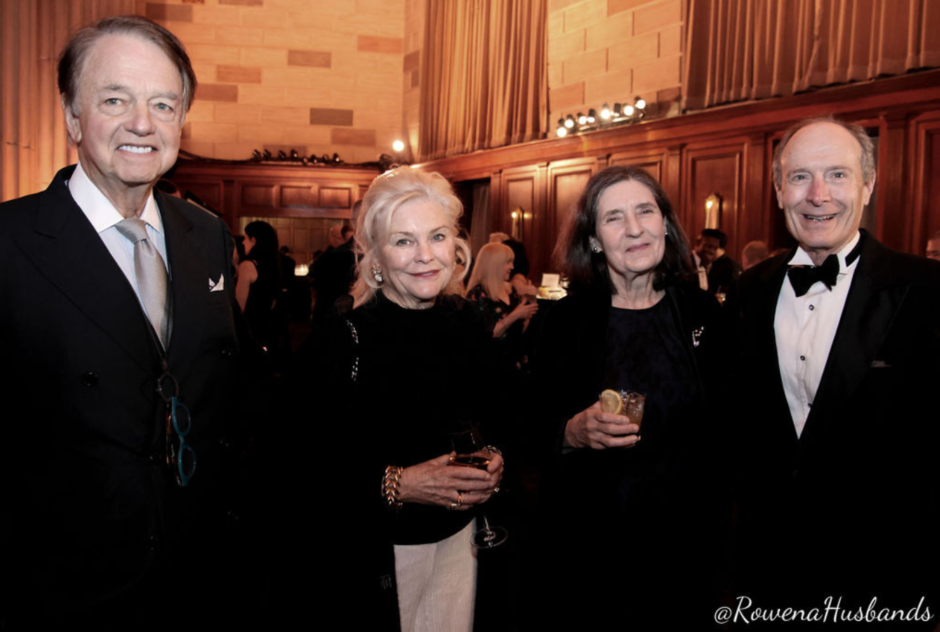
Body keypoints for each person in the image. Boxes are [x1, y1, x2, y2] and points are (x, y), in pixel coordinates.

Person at [0, 16, 244, 628]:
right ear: (72, 116)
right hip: (63, 588)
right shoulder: (11, 242)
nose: (143, 123)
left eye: (164, 103)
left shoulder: (206, 235)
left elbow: (227, 396)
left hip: (197, 577)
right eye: (116, 99)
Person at [728, 117, 940, 620]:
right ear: (779, 190)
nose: (818, 194)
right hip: (768, 568)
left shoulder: (928, 291)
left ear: (869, 184)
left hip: (883, 573)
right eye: (800, 176)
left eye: (838, 175)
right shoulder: (748, 291)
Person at [303, 167, 504, 631]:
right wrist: (398, 483)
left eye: (436, 236)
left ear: (456, 247)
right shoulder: (342, 339)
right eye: (403, 241)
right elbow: (297, 467)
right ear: (375, 256)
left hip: (463, 540)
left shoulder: (466, 322)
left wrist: (496, 456)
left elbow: (504, 413)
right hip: (377, 551)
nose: (425, 256)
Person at [530, 166, 727, 629]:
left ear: (665, 224)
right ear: (595, 239)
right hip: (592, 549)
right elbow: (526, 426)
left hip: (688, 546)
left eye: (645, 211)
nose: (635, 228)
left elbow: (729, 425)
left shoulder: (701, 312)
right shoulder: (562, 323)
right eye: (614, 218)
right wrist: (569, 432)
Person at [465, 242, 538, 347]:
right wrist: (515, 315)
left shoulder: (511, 290)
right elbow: (484, 336)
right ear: (495, 264)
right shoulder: (476, 295)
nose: (512, 267)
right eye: (508, 262)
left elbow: (520, 331)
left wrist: (531, 301)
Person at [236, 220, 282, 348]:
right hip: (269, 331)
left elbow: (239, 306)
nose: (243, 242)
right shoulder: (273, 266)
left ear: (254, 240)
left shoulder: (247, 266)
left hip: (250, 332)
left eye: (245, 238)